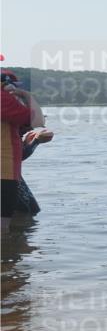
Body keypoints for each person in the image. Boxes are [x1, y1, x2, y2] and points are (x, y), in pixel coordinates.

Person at [2, 70, 42, 233]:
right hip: (4, 173)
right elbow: (38, 120)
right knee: (2, 230)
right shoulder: (4, 100)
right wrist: (26, 95)